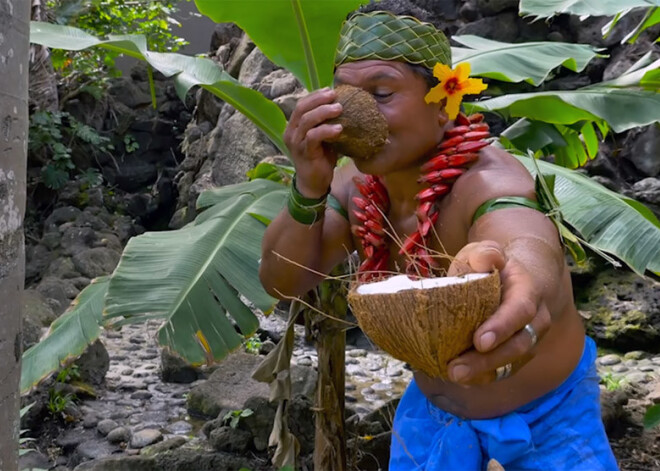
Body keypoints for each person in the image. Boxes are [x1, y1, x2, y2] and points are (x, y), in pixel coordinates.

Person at [259, 6, 618, 471]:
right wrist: (308, 186)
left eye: (381, 93)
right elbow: (281, 281)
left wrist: (524, 279)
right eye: (346, 95)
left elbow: (525, 240)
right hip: (432, 419)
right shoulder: (352, 186)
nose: (356, 113)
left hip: (550, 421)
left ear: (444, 103)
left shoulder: (485, 181)